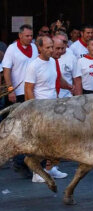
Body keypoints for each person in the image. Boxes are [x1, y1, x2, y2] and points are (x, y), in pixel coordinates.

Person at [24, 36, 72, 182]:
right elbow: (28, 89)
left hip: (54, 108)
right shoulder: (34, 66)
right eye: (48, 47)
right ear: (39, 48)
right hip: (40, 110)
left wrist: (69, 86)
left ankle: (50, 169)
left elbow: (57, 80)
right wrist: (34, 111)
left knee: (56, 142)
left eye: (52, 47)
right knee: (41, 144)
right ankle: (37, 174)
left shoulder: (53, 62)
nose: (51, 50)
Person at [2, 24, 38, 179]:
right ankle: (17, 160)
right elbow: (7, 69)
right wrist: (10, 90)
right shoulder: (12, 49)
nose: (30, 38)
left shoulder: (35, 48)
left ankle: (26, 160)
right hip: (18, 92)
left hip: (31, 91)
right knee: (18, 127)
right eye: (27, 36)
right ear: (20, 35)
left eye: (31, 36)